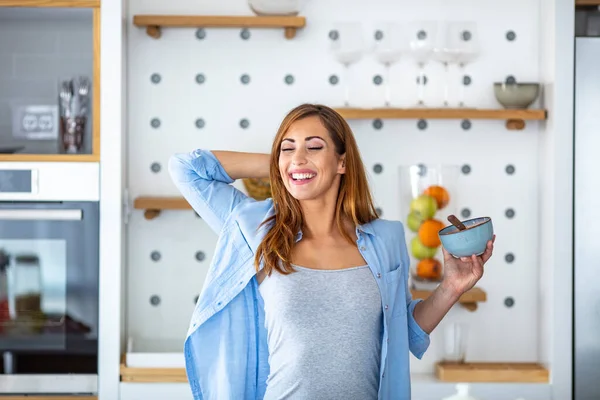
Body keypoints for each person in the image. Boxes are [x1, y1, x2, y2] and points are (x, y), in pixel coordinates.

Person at [168, 103, 495, 400]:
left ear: (342, 162)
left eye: (313, 147)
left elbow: (403, 330)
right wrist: (287, 166)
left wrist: (451, 287)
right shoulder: (258, 232)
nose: (298, 156)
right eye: (287, 147)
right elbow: (186, 169)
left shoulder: (386, 239)